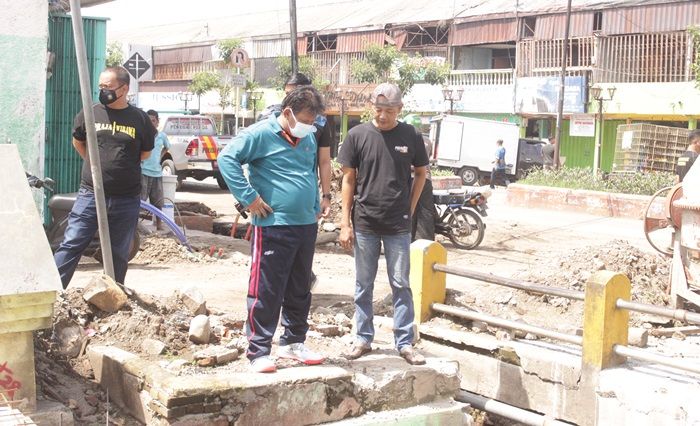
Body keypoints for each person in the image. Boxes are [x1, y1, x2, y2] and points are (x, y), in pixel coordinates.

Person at [218, 86, 326, 373]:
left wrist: (315, 203)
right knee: (266, 288)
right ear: (287, 112)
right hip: (273, 225)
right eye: (306, 119)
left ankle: (293, 341)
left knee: (300, 287)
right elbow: (226, 159)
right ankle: (258, 349)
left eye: (313, 121)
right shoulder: (259, 134)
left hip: (304, 224)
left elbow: (309, 170)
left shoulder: (308, 138)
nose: (310, 126)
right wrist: (248, 197)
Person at [338, 82, 428, 365]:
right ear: (372, 109)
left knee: (401, 283)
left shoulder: (411, 135)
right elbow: (348, 179)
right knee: (363, 284)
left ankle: (404, 342)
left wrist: (409, 210)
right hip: (364, 222)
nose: (382, 115)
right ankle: (363, 338)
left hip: (398, 225)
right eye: (378, 109)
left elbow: (421, 174)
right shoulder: (357, 135)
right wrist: (344, 223)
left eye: (389, 110)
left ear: (399, 109)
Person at [54, 66, 155, 289]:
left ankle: (113, 294)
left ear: (124, 88)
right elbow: (78, 142)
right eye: (100, 86)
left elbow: (145, 153)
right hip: (91, 193)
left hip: (126, 197)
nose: (103, 91)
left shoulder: (140, 119)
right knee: (72, 243)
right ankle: (52, 292)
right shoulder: (90, 113)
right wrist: (95, 165)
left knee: (119, 251)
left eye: (107, 87)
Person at [258, 73, 332, 288]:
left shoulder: (318, 122)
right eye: (289, 92)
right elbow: (249, 156)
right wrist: (248, 195)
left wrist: (325, 196)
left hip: (304, 205)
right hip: (273, 206)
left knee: (300, 262)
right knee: (270, 269)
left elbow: (324, 161)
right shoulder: (269, 118)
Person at [141, 109, 171, 229]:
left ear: (157, 122)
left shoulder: (162, 136)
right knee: (140, 200)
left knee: (158, 201)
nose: (151, 123)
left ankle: (159, 224)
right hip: (143, 171)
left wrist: (159, 157)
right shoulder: (142, 135)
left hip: (157, 173)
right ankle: (137, 225)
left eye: (153, 121)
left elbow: (167, 147)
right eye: (148, 121)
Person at [412, 133, 436, 241]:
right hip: (426, 178)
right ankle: (426, 239)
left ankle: (410, 238)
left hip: (412, 177)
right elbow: (428, 156)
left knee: (411, 208)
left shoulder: (406, 138)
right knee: (426, 210)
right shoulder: (428, 140)